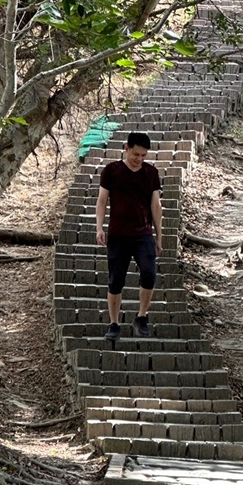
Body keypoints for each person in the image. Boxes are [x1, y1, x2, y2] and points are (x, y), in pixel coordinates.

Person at [95, 132, 163, 341]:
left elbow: (156, 205)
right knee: (116, 280)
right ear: (126, 148)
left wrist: (159, 236)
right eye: (136, 154)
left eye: (143, 155)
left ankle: (142, 317)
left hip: (143, 234)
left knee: (149, 274)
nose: (139, 159)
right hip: (118, 234)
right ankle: (114, 323)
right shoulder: (112, 170)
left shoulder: (151, 173)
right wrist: (99, 227)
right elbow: (102, 201)